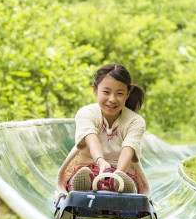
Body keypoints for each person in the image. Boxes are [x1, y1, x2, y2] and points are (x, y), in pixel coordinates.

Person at [56, 63, 149, 195]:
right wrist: (101, 163)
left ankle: (121, 187)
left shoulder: (135, 121)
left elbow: (128, 149)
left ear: (128, 94)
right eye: (106, 92)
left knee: (124, 182)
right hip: (90, 167)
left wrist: (117, 174)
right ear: (95, 90)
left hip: (123, 171)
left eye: (119, 93)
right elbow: (91, 138)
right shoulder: (86, 113)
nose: (112, 99)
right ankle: (81, 186)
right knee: (84, 177)